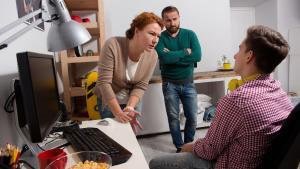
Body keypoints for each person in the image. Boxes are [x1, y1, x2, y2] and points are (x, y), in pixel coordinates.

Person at [149, 25, 293, 169]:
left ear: (249, 56)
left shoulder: (236, 101)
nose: (235, 56)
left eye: (239, 49)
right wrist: (184, 53)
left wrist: (188, 147)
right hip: (257, 161)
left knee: (155, 163)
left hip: (230, 164)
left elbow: (209, 150)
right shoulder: (280, 92)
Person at [93, 12, 164, 132]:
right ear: (137, 31)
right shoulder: (113, 45)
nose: (155, 40)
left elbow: (141, 85)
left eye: (158, 36)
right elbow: (104, 82)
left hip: (132, 101)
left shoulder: (153, 56)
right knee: (112, 138)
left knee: (131, 138)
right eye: (151, 34)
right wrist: (118, 112)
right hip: (109, 100)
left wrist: (130, 107)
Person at [155, 6, 201, 152]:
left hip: (188, 83)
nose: (172, 23)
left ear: (179, 17)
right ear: (163, 21)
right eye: (168, 20)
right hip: (169, 84)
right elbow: (163, 57)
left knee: (192, 117)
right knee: (173, 118)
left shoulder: (190, 35)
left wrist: (172, 56)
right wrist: (184, 53)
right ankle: (180, 147)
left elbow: (197, 56)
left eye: (175, 19)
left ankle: (188, 144)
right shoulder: (159, 37)